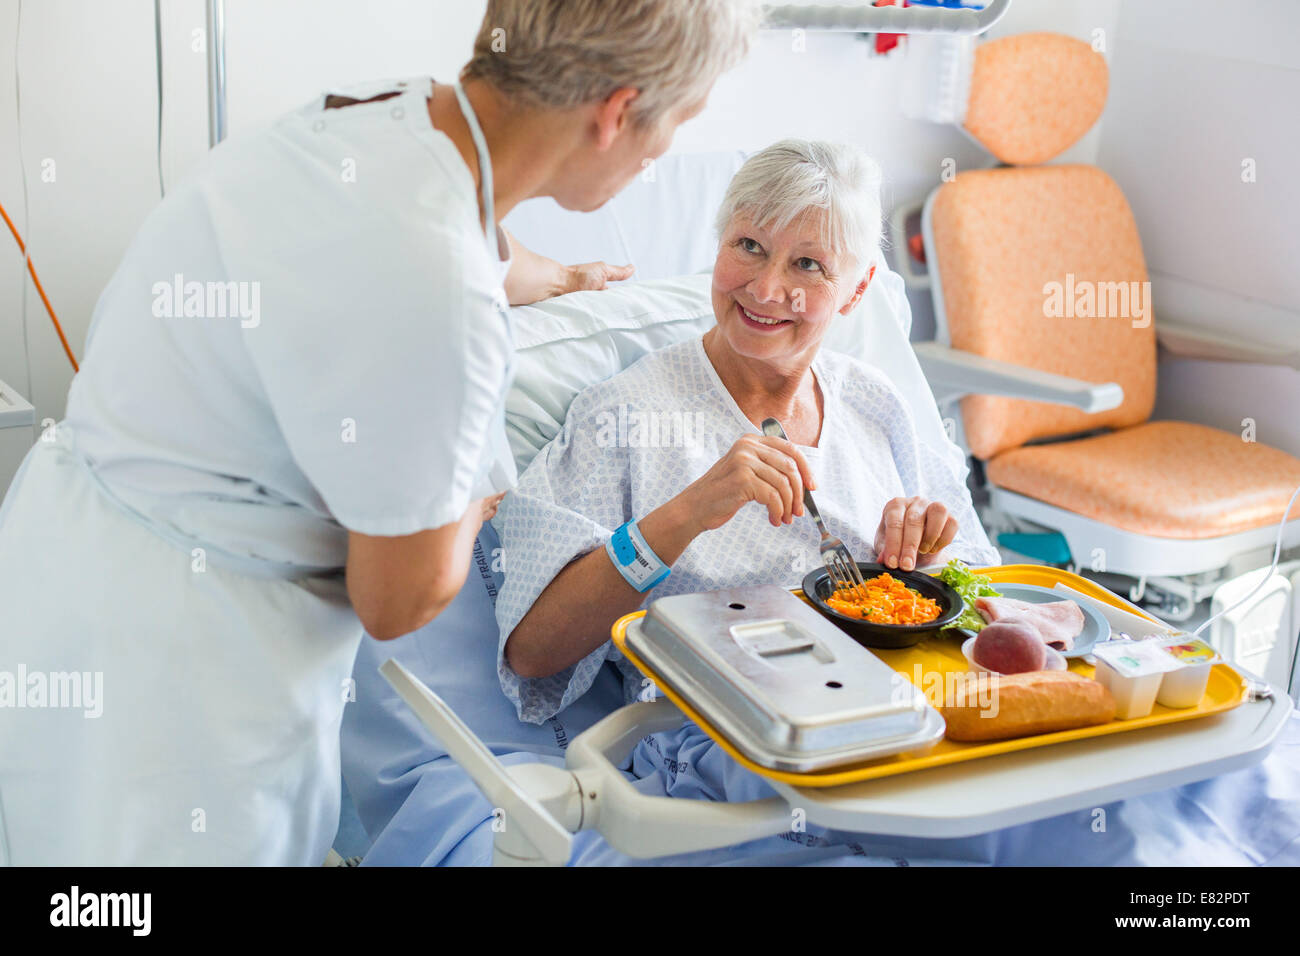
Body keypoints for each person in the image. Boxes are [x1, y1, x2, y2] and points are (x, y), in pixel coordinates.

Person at [0, 0, 759, 865]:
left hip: (65, 562)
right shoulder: (439, 299)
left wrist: (560, 278)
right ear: (620, 112)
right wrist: (478, 492)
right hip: (181, 680)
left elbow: (454, 243)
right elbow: (397, 600)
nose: (664, 155)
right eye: (680, 123)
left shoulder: (379, 113)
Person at [492, 139, 999, 834]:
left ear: (856, 289)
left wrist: (929, 560)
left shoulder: (877, 408)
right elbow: (534, 650)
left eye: (808, 265)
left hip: (905, 717)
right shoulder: (628, 415)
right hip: (727, 742)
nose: (765, 290)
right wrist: (686, 515)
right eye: (750, 246)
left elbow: (984, 596)